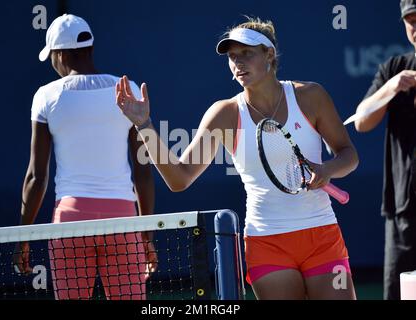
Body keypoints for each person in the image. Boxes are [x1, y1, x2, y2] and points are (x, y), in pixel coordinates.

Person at [116, 16, 359, 300]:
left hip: (322, 236)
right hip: (266, 243)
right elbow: (179, 179)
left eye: (247, 53)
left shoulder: (310, 96)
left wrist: (328, 169)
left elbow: (348, 154)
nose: (238, 63)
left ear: (269, 54)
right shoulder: (225, 114)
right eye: (232, 56)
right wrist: (144, 125)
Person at [12, 14, 157, 300]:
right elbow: (143, 172)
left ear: (60, 53)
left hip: (70, 221)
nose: (53, 64)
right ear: (89, 48)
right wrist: (147, 234)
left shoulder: (45, 96)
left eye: (52, 56)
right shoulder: (127, 91)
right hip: (123, 221)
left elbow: (35, 177)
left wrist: (22, 239)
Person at [355, 0, 416, 300]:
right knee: (402, 293)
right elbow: (362, 121)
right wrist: (391, 87)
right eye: (411, 20)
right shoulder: (394, 68)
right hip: (404, 207)